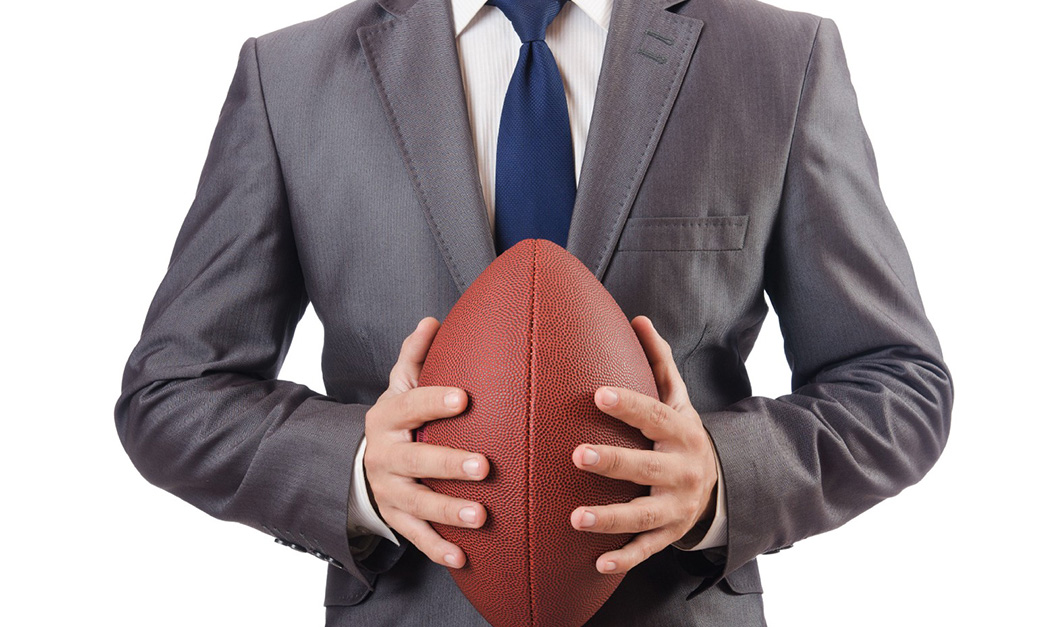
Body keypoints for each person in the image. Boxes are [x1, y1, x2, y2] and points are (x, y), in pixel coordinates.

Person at [114, 0, 954, 624]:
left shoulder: (775, 60)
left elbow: (898, 382)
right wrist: (356, 474)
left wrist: (724, 478)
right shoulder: (292, 78)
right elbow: (173, 389)